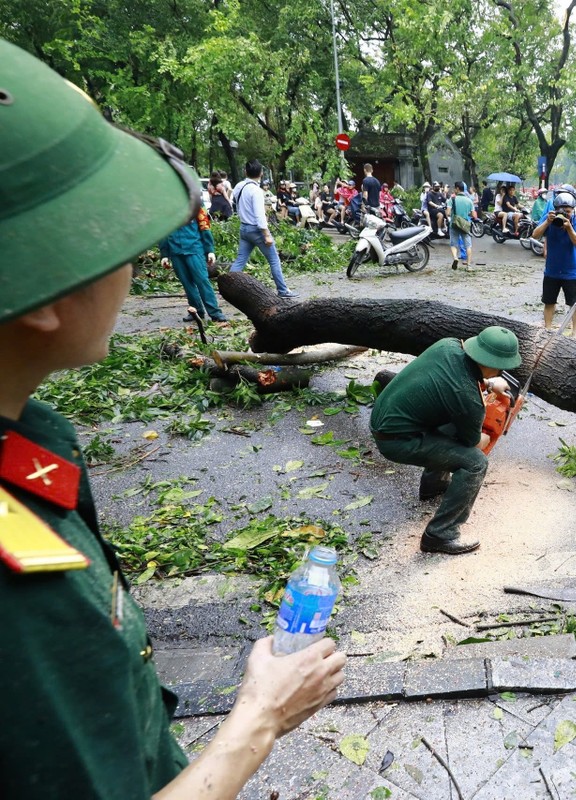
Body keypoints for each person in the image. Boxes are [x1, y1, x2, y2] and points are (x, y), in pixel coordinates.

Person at [0, 40, 347, 799]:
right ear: (42, 292)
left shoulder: (34, 437)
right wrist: (260, 717)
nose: (133, 267)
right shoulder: (21, 600)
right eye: (116, 239)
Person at [369, 326, 522, 555]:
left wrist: (489, 384)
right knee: (475, 463)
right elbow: (473, 443)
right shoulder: (468, 400)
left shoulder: (449, 345)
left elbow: (454, 379)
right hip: (396, 441)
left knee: (452, 425)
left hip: (384, 418)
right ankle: (440, 535)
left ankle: (433, 485)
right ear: (496, 364)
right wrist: (489, 433)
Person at [229, 160, 298, 298]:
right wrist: (266, 235)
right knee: (274, 260)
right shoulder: (256, 191)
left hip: (244, 228)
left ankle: (228, 288)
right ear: (261, 173)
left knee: (240, 260)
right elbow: (260, 215)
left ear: (245, 172)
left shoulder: (239, 186)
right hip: (256, 230)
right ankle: (283, 291)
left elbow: (233, 200)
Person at [159, 199, 229, 323]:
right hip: (175, 251)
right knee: (187, 283)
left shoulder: (195, 202)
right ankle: (196, 311)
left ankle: (215, 313)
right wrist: (164, 254)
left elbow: (204, 225)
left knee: (202, 281)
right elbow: (163, 230)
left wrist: (209, 249)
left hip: (194, 248)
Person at [532, 192, 576, 336]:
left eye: (568, 211)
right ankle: (548, 331)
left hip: (571, 271)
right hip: (552, 270)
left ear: (573, 210)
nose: (565, 214)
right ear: (555, 210)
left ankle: (574, 334)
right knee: (549, 302)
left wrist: (569, 228)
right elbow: (535, 235)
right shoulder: (549, 218)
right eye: (561, 211)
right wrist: (547, 222)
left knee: (574, 304)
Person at [447, 180, 475, 271]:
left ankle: (455, 258)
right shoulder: (469, 200)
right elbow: (473, 215)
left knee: (453, 244)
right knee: (468, 245)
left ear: (457, 189)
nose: (454, 190)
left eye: (454, 188)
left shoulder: (452, 199)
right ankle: (469, 266)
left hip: (454, 224)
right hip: (465, 225)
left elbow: (448, 213)